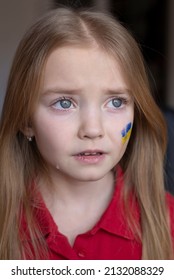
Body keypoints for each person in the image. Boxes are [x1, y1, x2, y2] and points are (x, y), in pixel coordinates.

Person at [0, 7, 174, 260]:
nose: (93, 130)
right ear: (26, 120)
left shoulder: (168, 222)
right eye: (64, 103)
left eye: (115, 102)